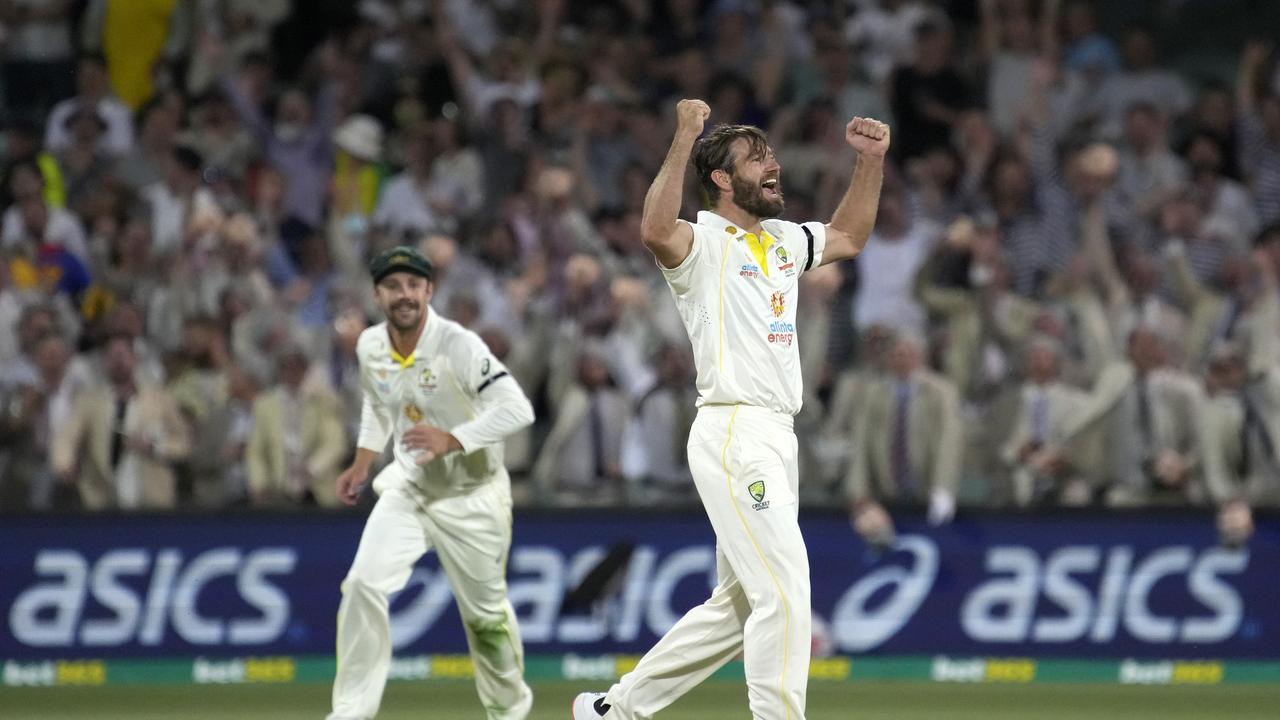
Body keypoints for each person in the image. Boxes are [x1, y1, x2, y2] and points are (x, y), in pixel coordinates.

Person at [573, 99, 889, 719]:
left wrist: (870, 162)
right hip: (734, 427)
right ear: (721, 178)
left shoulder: (779, 241)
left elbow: (849, 234)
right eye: (757, 158)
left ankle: (613, 711)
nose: (773, 165)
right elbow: (653, 231)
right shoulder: (702, 241)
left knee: (742, 604)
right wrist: (685, 133)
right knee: (784, 590)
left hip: (777, 432)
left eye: (772, 154)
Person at [327, 246, 535, 720]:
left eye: (413, 286)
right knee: (362, 585)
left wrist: (454, 439)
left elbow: (517, 409)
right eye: (394, 286)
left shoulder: (458, 345)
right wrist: (362, 462)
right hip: (412, 488)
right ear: (378, 294)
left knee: (486, 621)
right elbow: (379, 405)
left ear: (429, 291)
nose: (405, 295)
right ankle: (350, 712)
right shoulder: (370, 346)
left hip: (472, 497)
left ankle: (510, 712)